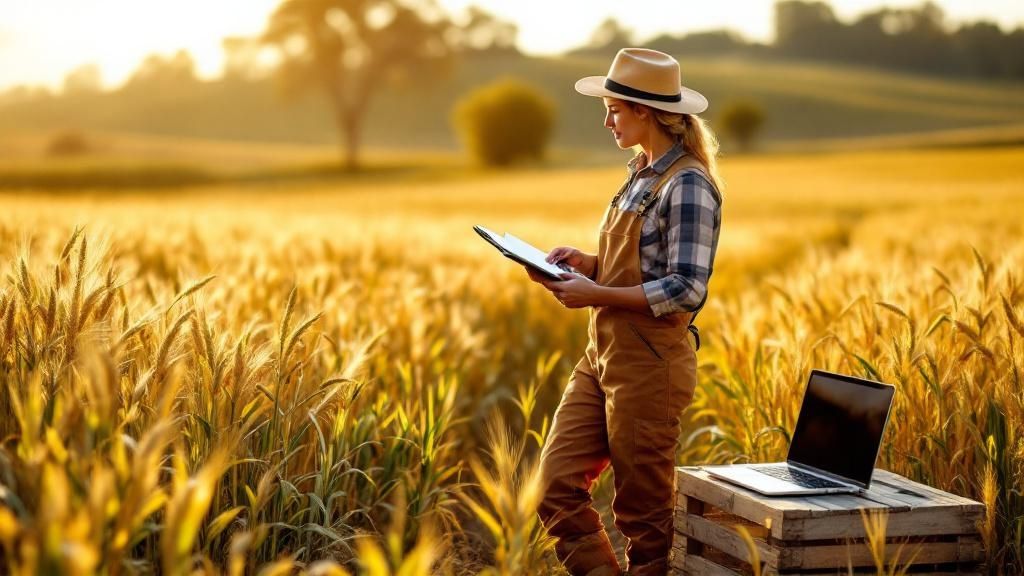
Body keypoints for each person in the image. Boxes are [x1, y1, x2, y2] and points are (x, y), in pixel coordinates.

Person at [525, 48, 723, 576]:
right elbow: (638, 264)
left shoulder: (688, 185)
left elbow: (684, 289)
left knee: (645, 518)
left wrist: (595, 293)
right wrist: (585, 265)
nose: (607, 118)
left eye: (614, 108)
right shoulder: (639, 173)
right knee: (554, 485)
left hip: (651, 365)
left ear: (647, 112)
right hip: (602, 354)